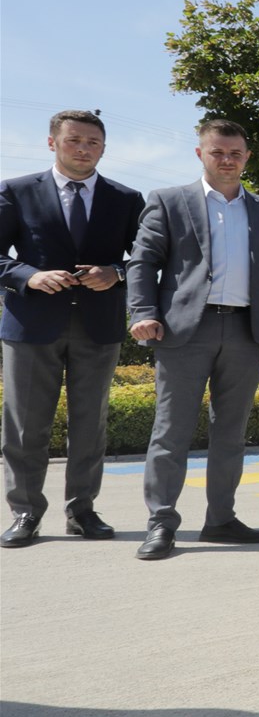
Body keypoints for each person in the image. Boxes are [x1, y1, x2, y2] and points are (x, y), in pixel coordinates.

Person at [127, 118, 259, 560]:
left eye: (235, 153)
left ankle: (221, 519)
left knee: (231, 433)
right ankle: (161, 523)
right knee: (171, 431)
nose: (227, 160)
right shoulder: (169, 201)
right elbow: (143, 262)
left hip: (246, 331)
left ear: (247, 157)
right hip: (185, 330)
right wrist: (143, 313)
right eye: (217, 152)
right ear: (200, 153)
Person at [0, 110, 146, 547]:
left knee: (90, 424)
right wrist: (29, 276)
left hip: (99, 326)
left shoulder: (126, 199)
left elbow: (148, 257)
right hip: (31, 325)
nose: (84, 149)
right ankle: (25, 512)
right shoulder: (15, 191)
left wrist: (116, 273)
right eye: (74, 140)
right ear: (52, 143)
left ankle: (82, 510)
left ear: (104, 148)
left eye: (93, 142)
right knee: (25, 426)